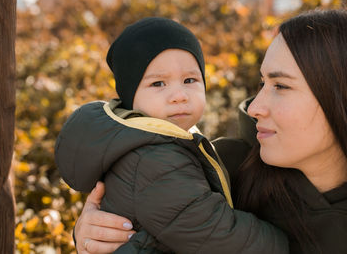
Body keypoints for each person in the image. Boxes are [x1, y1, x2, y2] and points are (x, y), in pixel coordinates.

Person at [72, 7, 347, 253]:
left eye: (281, 86)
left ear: (346, 99)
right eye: (262, 84)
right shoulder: (218, 170)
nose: (256, 106)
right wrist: (92, 235)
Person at [55, 17, 288, 253]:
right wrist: (279, 243)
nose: (179, 95)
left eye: (189, 80)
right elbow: (213, 231)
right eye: (158, 84)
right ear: (130, 97)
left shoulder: (164, 143)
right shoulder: (154, 159)